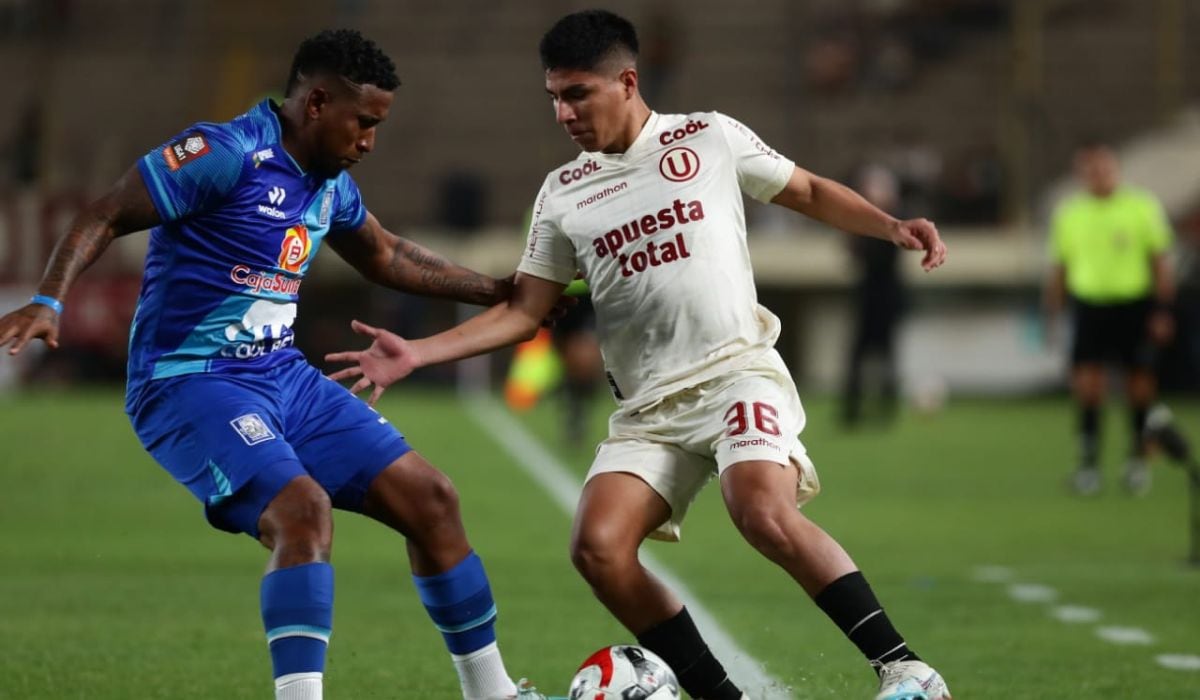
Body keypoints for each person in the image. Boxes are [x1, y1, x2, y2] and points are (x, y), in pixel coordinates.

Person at [328, 11, 951, 700]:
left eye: (577, 94)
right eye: (554, 98)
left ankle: (906, 668)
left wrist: (890, 226)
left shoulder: (707, 136)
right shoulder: (563, 193)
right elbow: (525, 311)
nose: (563, 113)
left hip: (736, 374)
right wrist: (415, 353)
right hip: (649, 410)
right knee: (596, 549)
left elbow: (801, 189)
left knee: (760, 510)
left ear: (626, 81)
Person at [0, 30, 550, 700]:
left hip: (283, 378)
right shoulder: (225, 154)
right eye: (364, 123)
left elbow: (387, 256)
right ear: (317, 102)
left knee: (433, 500)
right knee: (303, 512)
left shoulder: (329, 185)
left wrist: (498, 290)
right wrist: (49, 299)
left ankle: (493, 695)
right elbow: (106, 212)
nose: (370, 142)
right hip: (191, 383)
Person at [1045, 141, 1175, 496]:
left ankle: (1137, 462)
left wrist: (1163, 310)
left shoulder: (1141, 207)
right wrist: (1052, 313)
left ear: (1115, 169)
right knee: (1088, 388)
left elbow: (1160, 261)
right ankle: (1089, 466)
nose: (1097, 175)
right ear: (1081, 174)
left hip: (1134, 305)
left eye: (1103, 168)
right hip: (1089, 306)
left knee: (1139, 386)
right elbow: (1059, 267)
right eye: (1090, 169)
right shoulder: (1069, 213)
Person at [842, 163, 906, 428]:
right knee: (860, 354)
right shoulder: (868, 225)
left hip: (885, 296)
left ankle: (885, 407)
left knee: (885, 353)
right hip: (868, 295)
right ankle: (854, 410)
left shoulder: (892, 223)